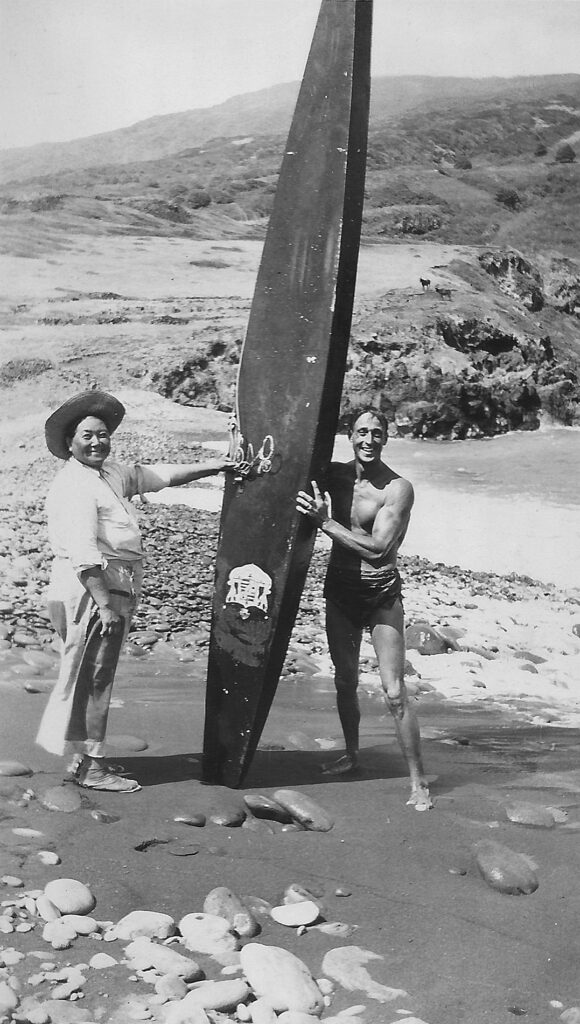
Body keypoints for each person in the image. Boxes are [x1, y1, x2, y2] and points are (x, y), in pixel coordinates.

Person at [37, 389, 234, 793]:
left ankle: (79, 758)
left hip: (105, 586)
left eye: (103, 434)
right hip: (94, 590)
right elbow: (83, 554)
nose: (97, 442)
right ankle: (92, 766)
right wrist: (105, 605)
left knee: (84, 674)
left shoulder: (107, 475)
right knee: (95, 678)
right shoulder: (75, 485)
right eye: (88, 435)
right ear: (70, 442)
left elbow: (156, 476)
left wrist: (216, 466)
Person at [296, 408, 432, 810]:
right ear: (349, 435)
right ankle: (352, 754)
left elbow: (378, 550)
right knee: (344, 680)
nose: (368, 440)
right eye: (361, 432)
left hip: (380, 594)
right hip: (339, 589)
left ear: (386, 438)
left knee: (393, 691)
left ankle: (418, 782)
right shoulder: (335, 477)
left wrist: (326, 524)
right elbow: (286, 468)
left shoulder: (397, 488)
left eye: (376, 433)